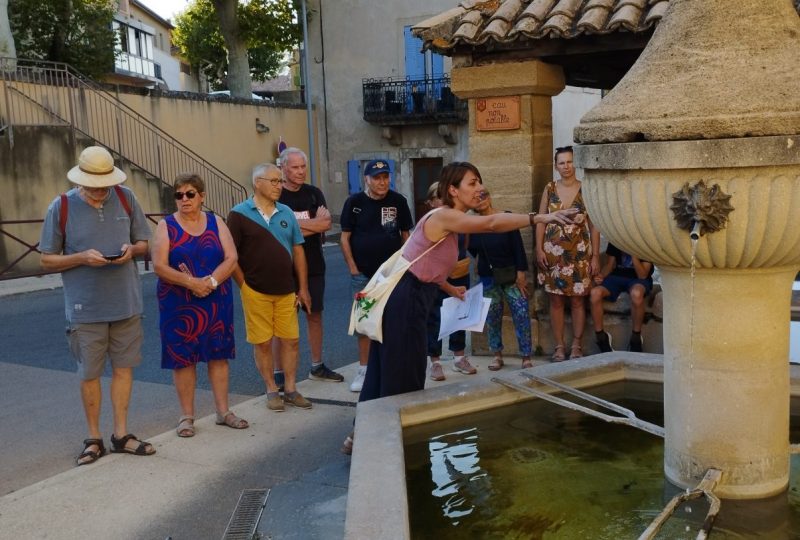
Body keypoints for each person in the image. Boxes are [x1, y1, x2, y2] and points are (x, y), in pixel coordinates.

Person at [343, 161, 576, 454]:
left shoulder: (450, 222)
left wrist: (449, 287)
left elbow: (423, 263)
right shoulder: (444, 216)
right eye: (472, 183)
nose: (480, 188)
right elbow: (491, 223)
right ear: (452, 189)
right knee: (402, 375)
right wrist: (543, 217)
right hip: (406, 302)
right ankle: (392, 449)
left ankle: (359, 436)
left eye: (480, 181)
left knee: (383, 370)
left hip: (410, 297)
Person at [39, 145, 155, 465]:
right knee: (89, 373)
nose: (100, 191)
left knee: (124, 368)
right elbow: (46, 259)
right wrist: (81, 257)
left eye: (105, 184)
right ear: (81, 179)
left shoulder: (126, 197)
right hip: (84, 307)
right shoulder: (60, 207)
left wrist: (133, 250)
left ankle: (121, 435)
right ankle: (94, 439)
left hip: (126, 302)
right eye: (94, 185)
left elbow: (145, 242)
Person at [152, 173, 248, 437]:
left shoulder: (216, 222)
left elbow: (231, 257)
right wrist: (191, 282)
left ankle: (223, 411)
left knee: (218, 355)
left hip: (215, 300)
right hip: (179, 302)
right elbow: (159, 265)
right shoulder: (166, 226)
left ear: (202, 196)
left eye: (190, 194)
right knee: (183, 359)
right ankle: (186, 417)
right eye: (179, 195)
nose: (184, 199)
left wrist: (212, 281)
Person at [227, 163, 312, 412]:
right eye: (274, 181)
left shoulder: (286, 212)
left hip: (287, 290)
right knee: (262, 343)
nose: (279, 186)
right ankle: (271, 389)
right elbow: (230, 256)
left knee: (292, 340)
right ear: (257, 183)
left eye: (280, 181)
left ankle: (291, 388)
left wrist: (303, 287)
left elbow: (298, 250)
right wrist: (244, 286)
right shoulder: (239, 214)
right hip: (256, 291)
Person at [340, 159, 414, 392]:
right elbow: (345, 238)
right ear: (367, 179)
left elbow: (406, 235)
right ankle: (364, 370)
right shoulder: (354, 203)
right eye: (377, 178)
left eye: (385, 177)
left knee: (393, 321)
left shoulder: (398, 201)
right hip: (364, 275)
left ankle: (391, 368)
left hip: (392, 275)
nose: (382, 182)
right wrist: (353, 267)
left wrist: (406, 265)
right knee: (364, 322)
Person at [275, 147, 343, 385]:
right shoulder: (276, 195)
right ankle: (279, 372)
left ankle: (317, 365)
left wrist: (295, 226)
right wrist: (313, 224)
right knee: (282, 321)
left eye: (303, 166)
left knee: (315, 315)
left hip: (314, 264)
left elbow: (326, 225)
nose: (300, 171)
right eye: (294, 167)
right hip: (283, 267)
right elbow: (277, 230)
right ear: (282, 168)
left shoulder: (314, 193)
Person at [535, 146, 600, 361]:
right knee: (555, 302)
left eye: (570, 162)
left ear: (575, 164)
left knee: (578, 302)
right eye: (562, 163)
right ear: (556, 166)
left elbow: (594, 226)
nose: (566, 166)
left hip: (580, 256)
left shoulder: (586, 189)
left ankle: (577, 345)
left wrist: (596, 256)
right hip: (553, 256)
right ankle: (559, 346)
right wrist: (538, 249)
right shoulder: (549, 189)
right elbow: (540, 221)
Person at [469, 189, 533, 370]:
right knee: (493, 317)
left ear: (489, 197)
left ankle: (526, 355)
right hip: (488, 277)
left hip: (511, 276)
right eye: (476, 199)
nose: (481, 201)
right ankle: (497, 355)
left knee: (521, 314)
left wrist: (521, 273)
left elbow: (518, 247)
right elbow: (472, 248)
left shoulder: (506, 217)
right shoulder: (473, 224)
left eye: (483, 197)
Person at [423, 182, 471, 381]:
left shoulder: (458, 220)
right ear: (431, 202)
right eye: (439, 197)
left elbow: (464, 242)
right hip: (436, 276)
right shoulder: (430, 222)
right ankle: (435, 362)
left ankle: (459, 358)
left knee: (459, 314)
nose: (444, 201)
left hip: (458, 272)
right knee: (434, 317)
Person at [590, 242, 654, 353]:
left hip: (638, 279)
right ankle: (601, 337)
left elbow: (642, 275)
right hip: (617, 276)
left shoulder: (644, 240)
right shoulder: (617, 236)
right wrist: (601, 276)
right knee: (595, 293)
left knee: (637, 294)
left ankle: (636, 339)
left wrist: (633, 253)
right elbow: (609, 266)